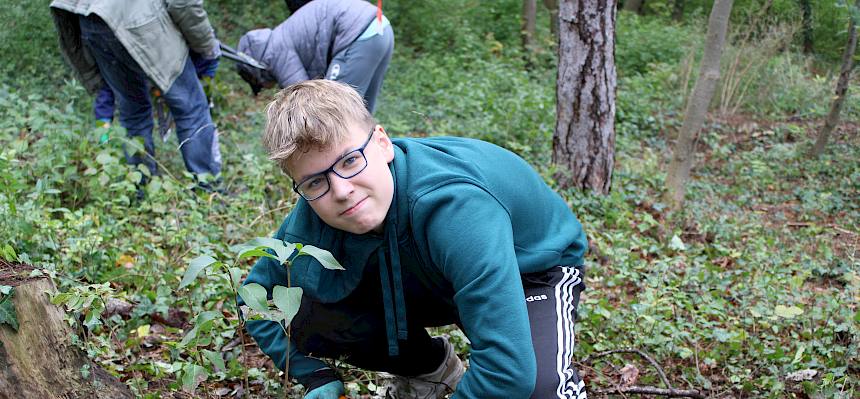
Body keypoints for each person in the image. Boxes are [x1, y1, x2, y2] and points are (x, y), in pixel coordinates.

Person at [241, 80, 590, 399]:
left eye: (350, 161)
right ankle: (429, 370)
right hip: (432, 275)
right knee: (307, 305)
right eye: (315, 182)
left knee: (538, 390)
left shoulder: (454, 206)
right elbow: (254, 299)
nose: (342, 191)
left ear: (382, 143)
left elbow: (509, 372)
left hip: (531, 270)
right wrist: (314, 375)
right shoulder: (312, 212)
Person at [50, 0, 223, 189]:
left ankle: (141, 189)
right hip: (138, 21)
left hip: (91, 20)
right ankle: (209, 191)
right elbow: (182, 3)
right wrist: (206, 44)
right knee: (192, 108)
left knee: (133, 113)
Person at [236, 0, 394, 113]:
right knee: (362, 113)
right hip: (380, 26)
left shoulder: (274, 53)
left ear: (256, 73)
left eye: (261, 85)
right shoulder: (281, 35)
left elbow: (305, 95)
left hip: (357, 34)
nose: (267, 87)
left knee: (332, 113)